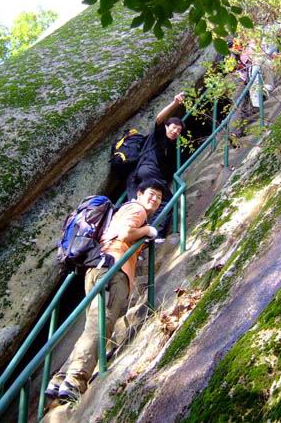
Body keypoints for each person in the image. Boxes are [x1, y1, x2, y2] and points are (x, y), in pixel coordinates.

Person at [46, 180, 164, 401]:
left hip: (99, 267)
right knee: (102, 323)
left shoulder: (124, 210)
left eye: (159, 197)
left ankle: (60, 379)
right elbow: (126, 233)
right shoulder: (136, 209)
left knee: (94, 323)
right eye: (151, 194)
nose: (155, 199)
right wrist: (149, 230)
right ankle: (75, 380)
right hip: (113, 270)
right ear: (139, 194)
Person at [125, 92, 185, 234]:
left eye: (179, 130)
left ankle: (130, 233)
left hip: (138, 175)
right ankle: (155, 235)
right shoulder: (159, 135)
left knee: (137, 206)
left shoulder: (170, 145)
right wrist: (175, 103)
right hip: (148, 171)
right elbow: (159, 118)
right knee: (167, 201)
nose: (175, 131)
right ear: (166, 127)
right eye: (173, 127)